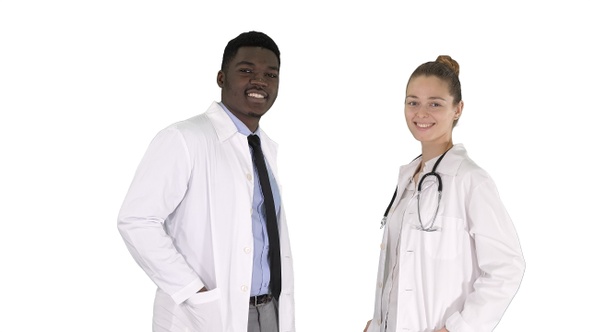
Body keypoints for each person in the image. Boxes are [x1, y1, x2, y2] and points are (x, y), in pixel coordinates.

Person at [117, 31, 295, 332]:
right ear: (221, 77)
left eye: (270, 74)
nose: (260, 81)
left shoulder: (263, 148)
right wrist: (191, 290)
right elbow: (136, 220)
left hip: (269, 312)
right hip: (204, 315)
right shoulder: (184, 139)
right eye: (246, 70)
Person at [364, 56, 525, 332]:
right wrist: (378, 321)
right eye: (412, 102)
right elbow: (399, 268)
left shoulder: (471, 180)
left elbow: (507, 267)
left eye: (435, 104)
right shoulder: (408, 177)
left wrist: (459, 328)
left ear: (457, 109)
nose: (421, 113)